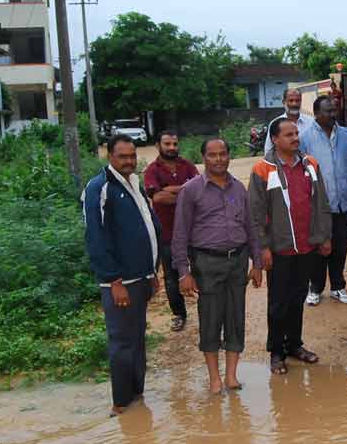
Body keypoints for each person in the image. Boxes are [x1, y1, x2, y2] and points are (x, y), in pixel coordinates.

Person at [172, 138, 264, 394]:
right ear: (203, 158)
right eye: (212, 155)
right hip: (206, 262)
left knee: (236, 317)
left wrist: (256, 263)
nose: (219, 159)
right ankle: (214, 379)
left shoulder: (239, 189)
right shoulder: (191, 191)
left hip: (237, 260)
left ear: (229, 156)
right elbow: (180, 234)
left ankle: (231, 376)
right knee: (211, 320)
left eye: (223, 154)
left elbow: (251, 228)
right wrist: (183, 272)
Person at [83, 134, 161, 416]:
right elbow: (96, 238)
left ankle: (136, 395)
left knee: (138, 337)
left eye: (132, 156)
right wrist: (113, 280)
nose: (129, 161)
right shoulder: (99, 188)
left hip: (142, 277)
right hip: (120, 282)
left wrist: (153, 271)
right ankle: (120, 403)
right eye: (123, 157)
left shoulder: (134, 183)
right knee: (122, 341)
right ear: (109, 157)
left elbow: (148, 228)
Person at [249, 118, 332, 375]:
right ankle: (276, 352)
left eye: (296, 133)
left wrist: (324, 236)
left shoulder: (310, 165)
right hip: (280, 249)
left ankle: (295, 345)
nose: (295, 138)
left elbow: (321, 204)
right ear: (275, 139)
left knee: (297, 299)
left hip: (306, 247)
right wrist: (263, 249)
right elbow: (256, 214)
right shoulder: (263, 169)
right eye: (289, 134)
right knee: (278, 303)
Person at [300, 95, 347, 306]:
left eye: (334, 110)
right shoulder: (305, 138)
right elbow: (301, 172)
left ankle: (337, 286)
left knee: (340, 247)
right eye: (328, 111)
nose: (333, 115)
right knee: (318, 249)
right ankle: (315, 288)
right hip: (317, 206)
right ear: (316, 114)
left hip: (342, 202)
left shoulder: (345, 135)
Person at [143, 131, 199, 332]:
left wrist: (169, 189)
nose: (172, 147)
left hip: (194, 232)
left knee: (201, 272)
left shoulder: (187, 165)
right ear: (158, 145)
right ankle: (179, 314)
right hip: (167, 234)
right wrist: (185, 192)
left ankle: (207, 312)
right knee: (172, 277)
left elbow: (199, 190)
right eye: (167, 144)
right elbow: (157, 198)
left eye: (175, 143)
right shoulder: (151, 170)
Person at [263, 88, 313, 153]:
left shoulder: (311, 122)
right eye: (291, 100)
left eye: (297, 100)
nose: (294, 104)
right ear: (284, 102)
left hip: (307, 162)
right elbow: (268, 150)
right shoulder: (275, 123)